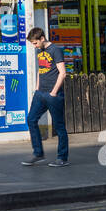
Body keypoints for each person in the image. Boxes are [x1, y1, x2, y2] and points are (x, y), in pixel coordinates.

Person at [23, 27, 68, 167]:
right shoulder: (40, 51)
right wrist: (37, 88)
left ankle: (62, 158)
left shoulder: (55, 50)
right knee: (31, 119)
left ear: (42, 39)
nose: (34, 46)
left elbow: (63, 73)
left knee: (59, 126)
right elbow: (40, 70)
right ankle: (38, 153)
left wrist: (54, 92)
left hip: (53, 95)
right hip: (40, 94)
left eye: (35, 43)